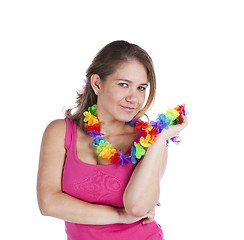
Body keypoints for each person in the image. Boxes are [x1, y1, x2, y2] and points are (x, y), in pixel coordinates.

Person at [36, 40, 188, 240]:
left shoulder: (149, 141)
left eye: (141, 88)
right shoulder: (60, 132)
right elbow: (48, 203)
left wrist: (160, 140)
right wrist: (119, 216)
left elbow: (136, 207)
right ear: (97, 83)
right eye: (124, 84)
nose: (134, 98)